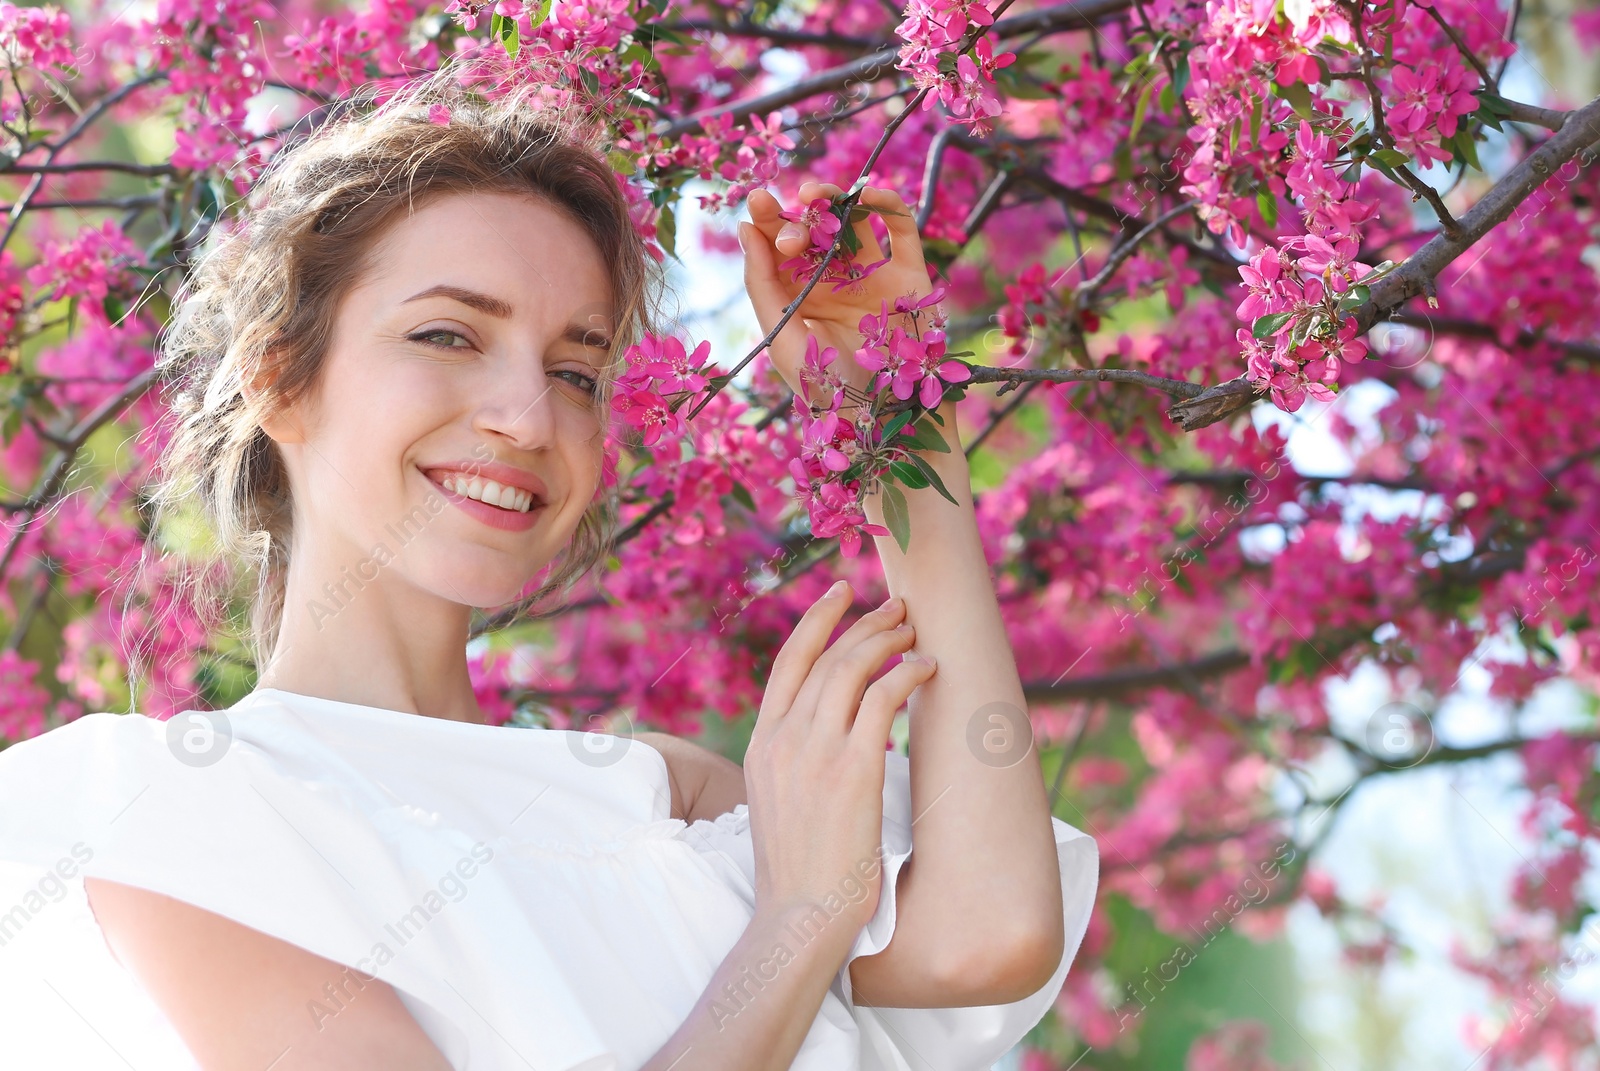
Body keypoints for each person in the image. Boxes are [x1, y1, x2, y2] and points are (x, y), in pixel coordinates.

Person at [0, 65, 1098, 1071]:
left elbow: (984, 937)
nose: (528, 418)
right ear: (281, 379)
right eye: (446, 336)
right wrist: (798, 921)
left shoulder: (662, 799)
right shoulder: (181, 812)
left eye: (576, 370)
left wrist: (894, 433)